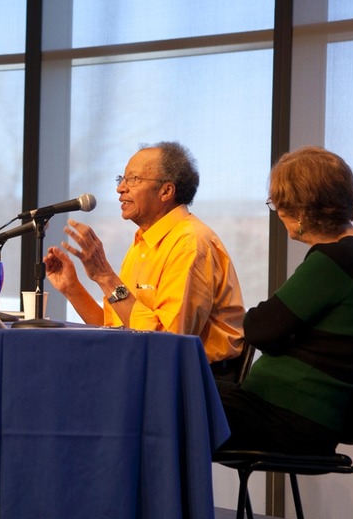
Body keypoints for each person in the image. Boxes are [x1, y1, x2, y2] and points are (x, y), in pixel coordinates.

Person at [219, 146, 353, 455]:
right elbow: (277, 330)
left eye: (279, 204)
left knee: (170, 399)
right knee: (178, 398)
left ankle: (166, 504)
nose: (279, 213)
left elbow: (260, 329)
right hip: (291, 415)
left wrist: (283, 336)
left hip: (288, 419)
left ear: (301, 209)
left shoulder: (338, 259)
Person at [44, 141, 245, 367]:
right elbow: (115, 328)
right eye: (122, 179)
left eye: (134, 179)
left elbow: (168, 342)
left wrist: (105, 276)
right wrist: (72, 288)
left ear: (166, 191)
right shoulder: (143, 242)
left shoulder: (190, 243)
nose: (120, 188)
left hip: (197, 381)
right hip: (147, 368)